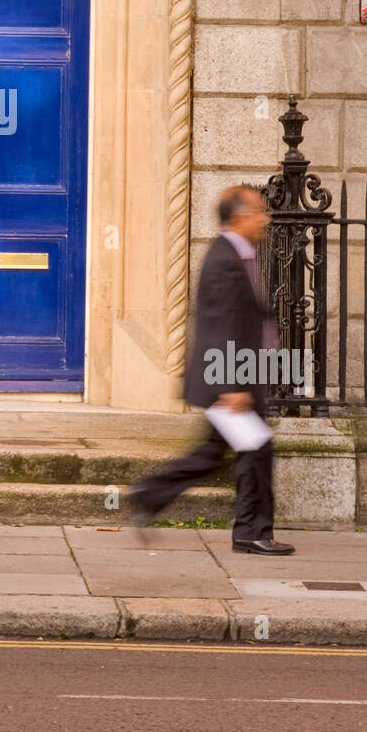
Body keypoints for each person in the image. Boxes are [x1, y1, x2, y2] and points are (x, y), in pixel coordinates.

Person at [129, 185, 295, 556]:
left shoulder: (239, 254)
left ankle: (148, 494)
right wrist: (233, 386)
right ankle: (251, 532)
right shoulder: (224, 258)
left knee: (214, 453)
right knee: (256, 450)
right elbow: (219, 324)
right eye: (260, 212)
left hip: (243, 374)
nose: (266, 218)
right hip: (231, 378)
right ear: (240, 217)